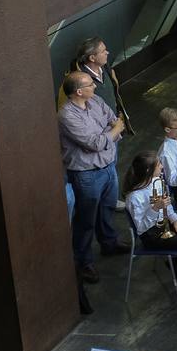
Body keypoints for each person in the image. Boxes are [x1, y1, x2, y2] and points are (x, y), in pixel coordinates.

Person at [59, 71, 128, 283]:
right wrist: (112, 131)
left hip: (108, 166)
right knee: (85, 219)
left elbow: (115, 121)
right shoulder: (66, 115)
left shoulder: (95, 100)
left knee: (107, 208)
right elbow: (94, 143)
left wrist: (111, 131)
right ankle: (83, 261)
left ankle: (109, 242)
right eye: (90, 84)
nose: (95, 87)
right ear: (79, 91)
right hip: (86, 174)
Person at [121, 151, 177, 302]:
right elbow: (141, 227)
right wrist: (154, 209)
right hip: (151, 234)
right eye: (159, 165)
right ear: (149, 171)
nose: (162, 167)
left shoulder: (158, 182)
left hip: (166, 224)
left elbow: (168, 208)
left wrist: (176, 221)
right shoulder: (134, 197)